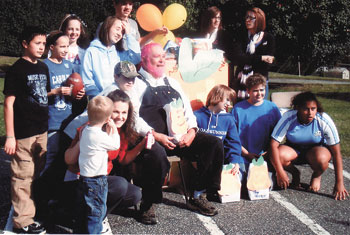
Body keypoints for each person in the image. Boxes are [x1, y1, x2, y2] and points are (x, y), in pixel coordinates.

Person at [133, 43, 224, 223]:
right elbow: (133, 118)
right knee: (156, 155)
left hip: (180, 138)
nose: (162, 60)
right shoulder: (136, 84)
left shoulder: (172, 82)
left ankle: (198, 194)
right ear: (144, 60)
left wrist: (191, 131)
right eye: (156, 56)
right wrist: (156, 136)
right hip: (153, 139)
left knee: (214, 144)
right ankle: (148, 202)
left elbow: (188, 113)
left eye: (164, 56)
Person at [3, 26, 49, 234]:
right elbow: (9, 104)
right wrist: (10, 136)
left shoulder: (42, 67)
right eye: (37, 43)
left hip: (41, 130)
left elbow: (41, 95)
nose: (42, 47)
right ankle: (22, 222)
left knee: (35, 173)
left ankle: (28, 209)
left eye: (44, 44)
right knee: (22, 175)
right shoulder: (17, 70)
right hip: (23, 133)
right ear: (25, 44)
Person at [270, 91, 349, 200]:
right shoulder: (289, 117)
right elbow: (273, 145)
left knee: (322, 159)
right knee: (279, 154)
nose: (310, 113)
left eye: (313, 109)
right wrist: (280, 172)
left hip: (315, 150)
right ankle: (295, 173)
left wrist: (339, 183)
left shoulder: (323, 119)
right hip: (294, 149)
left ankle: (316, 175)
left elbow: (336, 154)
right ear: (297, 108)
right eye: (306, 109)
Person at [76, 96, 120, 234]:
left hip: (84, 178)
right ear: (108, 119)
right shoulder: (98, 136)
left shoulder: (85, 130)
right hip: (96, 180)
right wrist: (114, 130)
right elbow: (115, 145)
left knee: (84, 211)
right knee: (96, 213)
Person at [232, 73, 281, 181]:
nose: (259, 93)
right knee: (239, 182)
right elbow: (232, 138)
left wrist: (268, 152)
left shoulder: (272, 108)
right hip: (243, 155)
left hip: (265, 156)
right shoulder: (238, 109)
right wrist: (246, 154)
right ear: (248, 91)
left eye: (262, 90)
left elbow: (278, 135)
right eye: (255, 91)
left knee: (263, 185)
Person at [82, 16, 141, 98]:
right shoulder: (91, 52)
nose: (119, 34)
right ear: (107, 27)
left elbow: (136, 57)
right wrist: (100, 98)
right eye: (117, 29)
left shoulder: (120, 54)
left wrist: (128, 34)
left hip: (119, 102)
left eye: (122, 32)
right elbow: (87, 81)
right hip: (100, 102)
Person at [194, 85, 241, 178]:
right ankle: (199, 189)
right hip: (198, 161)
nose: (229, 104)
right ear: (217, 97)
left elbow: (233, 142)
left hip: (220, 161)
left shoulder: (228, 119)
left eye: (230, 101)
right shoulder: (197, 116)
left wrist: (235, 161)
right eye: (227, 99)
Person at [231, 7, 275, 100]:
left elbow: (267, 65)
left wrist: (248, 59)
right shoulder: (240, 36)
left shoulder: (269, 38)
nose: (247, 20)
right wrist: (261, 58)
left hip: (260, 84)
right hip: (241, 82)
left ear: (259, 19)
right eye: (246, 17)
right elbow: (238, 58)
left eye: (251, 18)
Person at [96, 0, 168, 48]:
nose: (128, 7)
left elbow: (138, 44)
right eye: (124, 3)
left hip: (132, 66)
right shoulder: (105, 25)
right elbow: (98, 48)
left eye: (130, 4)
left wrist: (155, 32)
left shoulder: (133, 23)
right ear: (115, 4)